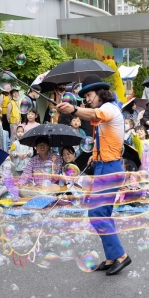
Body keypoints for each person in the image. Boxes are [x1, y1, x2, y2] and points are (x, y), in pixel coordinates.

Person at [56, 74, 131, 276]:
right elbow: (105, 138)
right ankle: (111, 258)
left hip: (110, 169)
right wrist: (94, 156)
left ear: (99, 92)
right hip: (103, 166)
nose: (86, 99)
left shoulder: (109, 108)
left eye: (88, 95)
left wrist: (74, 109)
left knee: (96, 213)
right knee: (102, 214)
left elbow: (95, 115)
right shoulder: (105, 111)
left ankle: (121, 255)